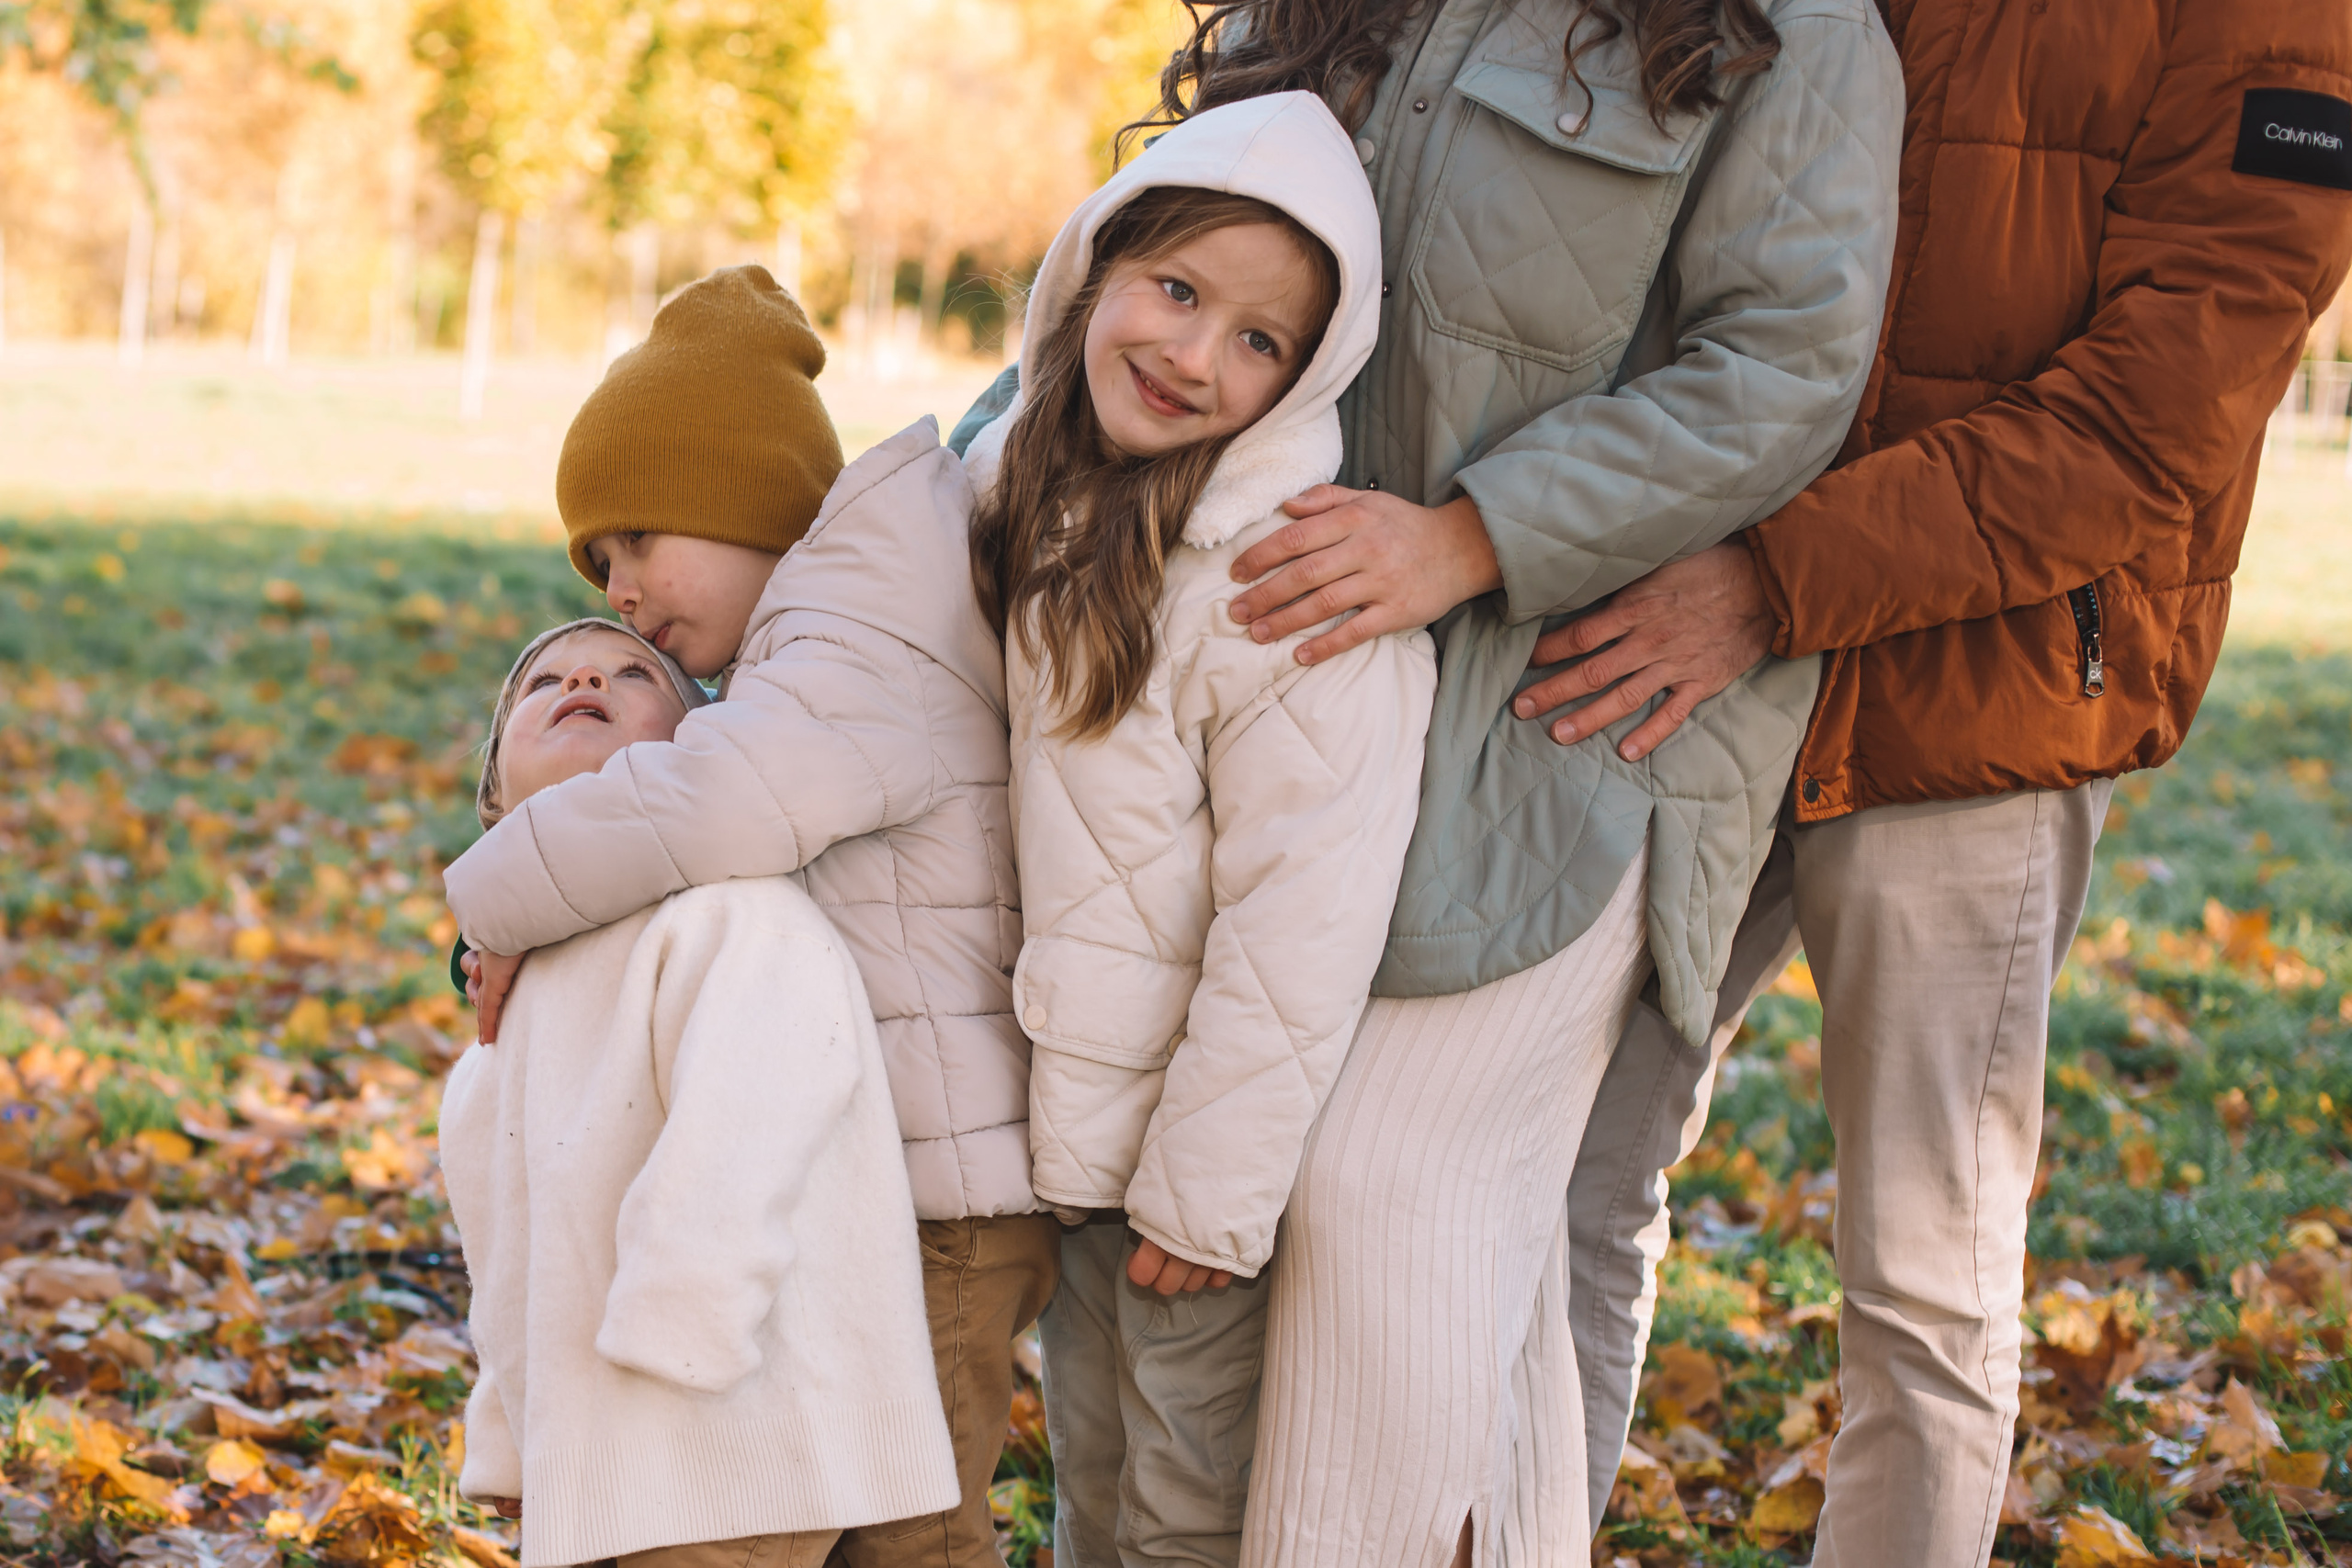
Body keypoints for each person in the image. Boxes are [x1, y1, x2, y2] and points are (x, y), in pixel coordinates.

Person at [957, 3, 1903, 1562]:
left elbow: (1782, 369)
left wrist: (1470, 538)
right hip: (1274, 659)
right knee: (1395, 1236)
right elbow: (1168, 250)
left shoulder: (1790, 30)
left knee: (1372, 1184)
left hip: (1577, 676)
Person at [1504, 4, 2352, 1564]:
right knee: (1553, 1167)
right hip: (1707, 649)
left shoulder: (2283, 29)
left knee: (1921, 1281)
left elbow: (2150, 423)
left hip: (1980, 690)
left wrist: (1773, 582)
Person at [445, 265, 1057, 1568]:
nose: (618, 588)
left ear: (739, 498)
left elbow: (714, 804)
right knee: (855, 1499)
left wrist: (494, 896)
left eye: (634, 542)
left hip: (947, 1183)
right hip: (884, 1158)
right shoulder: (820, 634)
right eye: (600, 566)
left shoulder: (854, 636)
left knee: (913, 1526)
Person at [960, 93, 1436, 1568]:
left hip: (1189, 1174)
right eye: (1176, 290)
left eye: (1258, 340)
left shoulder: (1291, 590)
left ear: (1308, 375)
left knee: (1183, 1508)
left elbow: (1302, 920)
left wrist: (1208, 1195)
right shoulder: (1012, 495)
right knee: (1093, 1480)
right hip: (1072, 1136)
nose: (1194, 356)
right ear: (1094, 265)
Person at [442, 616, 958, 1568]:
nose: (582, 680)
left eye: (633, 673)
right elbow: (515, 1253)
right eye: (543, 682)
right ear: (494, 796)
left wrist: (682, 1328)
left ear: (699, 747)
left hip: (729, 1426)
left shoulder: (728, 915)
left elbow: (751, 1123)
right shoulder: (508, 1008)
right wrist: (515, 1430)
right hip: (609, 1456)